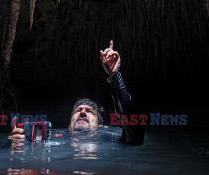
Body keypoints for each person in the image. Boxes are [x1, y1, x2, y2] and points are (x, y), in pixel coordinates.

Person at [9, 40, 144, 145]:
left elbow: (135, 134)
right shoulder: (52, 139)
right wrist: (16, 144)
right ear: (69, 126)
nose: (83, 113)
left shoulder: (110, 137)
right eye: (78, 111)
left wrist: (115, 77)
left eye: (89, 112)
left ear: (100, 126)